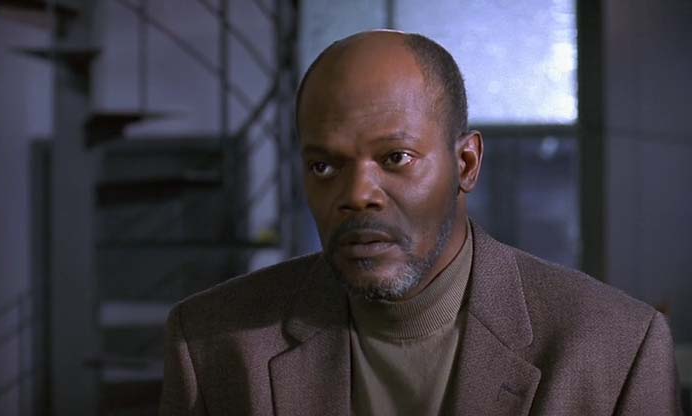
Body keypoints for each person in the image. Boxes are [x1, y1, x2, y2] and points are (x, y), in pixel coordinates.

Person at [160, 30, 681, 415]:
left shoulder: (614, 350)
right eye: (324, 166)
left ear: (466, 164)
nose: (357, 195)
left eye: (396, 158)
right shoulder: (213, 345)